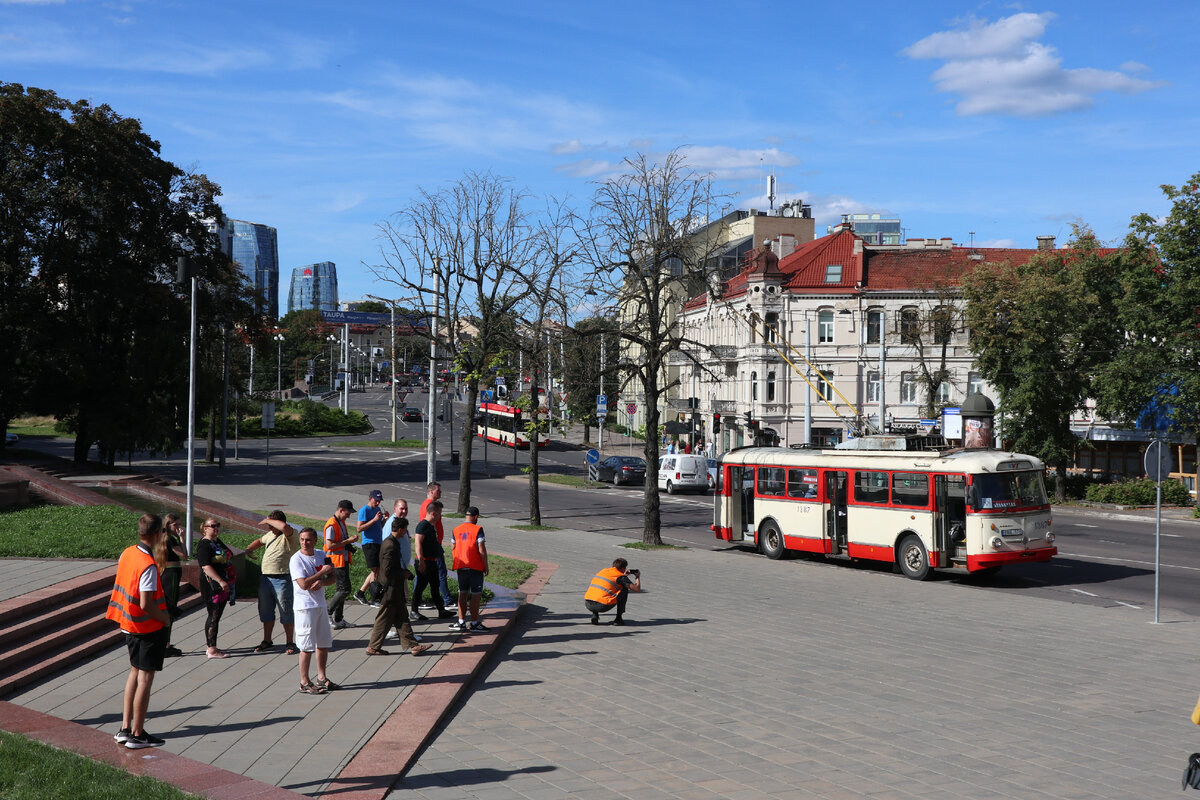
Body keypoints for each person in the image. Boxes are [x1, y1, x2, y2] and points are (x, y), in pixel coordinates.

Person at [107, 513, 171, 749]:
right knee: (145, 677)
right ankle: (137, 733)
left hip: (128, 624)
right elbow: (146, 603)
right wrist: (164, 619)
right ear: (157, 535)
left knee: (134, 672)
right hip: (146, 627)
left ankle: (125, 728)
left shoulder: (128, 552)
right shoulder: (149, 566)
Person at [366, 516, 431, 656]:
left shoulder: (390, 541)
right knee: (384, 619)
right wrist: (403, 574)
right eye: (406, 529)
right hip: (391, 589)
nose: (406, 532)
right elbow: (388, 570)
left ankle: (413, 646)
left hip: (394, 589)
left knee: (402, 617)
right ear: (400, 530)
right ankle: (373, 647)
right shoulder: (391, 544)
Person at [289, 527, 338, 694]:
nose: (304, 542)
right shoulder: (296, 559)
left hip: (320, 605)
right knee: (306, 646)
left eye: (308, 539)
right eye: (302, 539)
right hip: (305, 608)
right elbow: (303, 584)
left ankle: (322, 677)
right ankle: (304, 682)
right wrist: (321, 574)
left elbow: (333, 577)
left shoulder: (321, 554)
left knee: (323, 643)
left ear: (315, 540)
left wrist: (323, 582)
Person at [246, 510, 299, 655]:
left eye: (270, 524)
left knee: (286, 611)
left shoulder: (290, 534)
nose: (268, 527)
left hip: (282, 579)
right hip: (265, 579)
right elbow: (259, 541)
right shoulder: (270, 535)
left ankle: (290, 642)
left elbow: (284, 527)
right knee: (265, 611)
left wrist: (268, 520)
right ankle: (267, 640)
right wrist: (249, 549)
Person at [196, 518, 234, 658]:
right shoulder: (204, 545)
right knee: (213, 615)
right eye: (213, 526)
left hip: (221, 583)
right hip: (212, 585)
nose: (216, 528)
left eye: (217, 525)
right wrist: (220, 581)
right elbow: (205, 566)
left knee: (216, 616)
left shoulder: (216, 541)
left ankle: (211, 646)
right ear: (205, 528)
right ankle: (211, 649)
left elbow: (228, 553)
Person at [411, 501, 455, 620]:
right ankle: (414, 610)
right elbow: (418, 542)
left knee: (435, 586)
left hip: (431, 561)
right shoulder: (423, 525)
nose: (440, 516)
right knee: (420, 586)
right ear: (433, 513)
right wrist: (421, 560)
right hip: (424, 561)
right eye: (439, 513)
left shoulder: (430, 526)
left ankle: (441, 610)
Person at [449, 506, 489, 632]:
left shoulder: (456, 530)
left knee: (462, 593)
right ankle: (474, 623)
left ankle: (461, 622)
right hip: (475, 567)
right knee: (476, 595)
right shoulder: (478, 529)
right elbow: (481, 548)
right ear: (476, 517)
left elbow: (452, 546)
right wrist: (486, 565)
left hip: (461, 566)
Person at [323, 499, 359, 630]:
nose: (349, 515)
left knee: (341, 590)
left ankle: (339, 619)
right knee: (345, 589)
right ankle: (327, 612)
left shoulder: (340, 521)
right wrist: (348, 541)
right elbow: (329, 545)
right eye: (348, 513)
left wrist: (348, 542)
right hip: (336, 560)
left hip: (342, 559)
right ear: (341, 510)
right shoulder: (332, 524)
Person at [418, 482, 455, 610]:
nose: (441, 493)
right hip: (433, 544)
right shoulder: (429, 506)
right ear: (431, 491)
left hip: (434, 543)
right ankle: (446, 600)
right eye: (438, 491)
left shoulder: (428, 504)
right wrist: (434, 541)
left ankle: (420, 600)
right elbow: (428, 525)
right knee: (440, 572)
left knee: (428, 574)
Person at [160, 513, 187, 658]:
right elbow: (184, 555)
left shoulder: (164, 537)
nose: (178, 527)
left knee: (168, 607)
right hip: (171, 574)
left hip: (168, 572)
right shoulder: (170, 539)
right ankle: (166, 645)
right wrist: (182, 538)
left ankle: (166, 643)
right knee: (170, 608)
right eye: (176, 525)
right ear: (168, 525)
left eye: (179, 524)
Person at [584, 558, 641, 626]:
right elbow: (636, 589)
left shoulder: (604, 570)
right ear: (624, 568)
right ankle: (618, 619)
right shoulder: (621, 577)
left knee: (599, 592)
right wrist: (637, 577)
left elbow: (611, 581)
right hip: (602, 606)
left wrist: (624, 575)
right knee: (624, 589)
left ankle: (595, 615)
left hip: (588, 603)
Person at [353, 489, 386, 607]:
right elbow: (359, 528)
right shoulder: (364, 510)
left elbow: (378, 526)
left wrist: (384, 520)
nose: (377, 503)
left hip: (378, 542)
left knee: (376, 570)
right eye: (376, 500)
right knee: (375, 571)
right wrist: (374, 520)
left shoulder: (377, 510)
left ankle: (360, 593)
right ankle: (375, 598)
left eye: (379, 501)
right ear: (370, 499)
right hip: (369, 543)